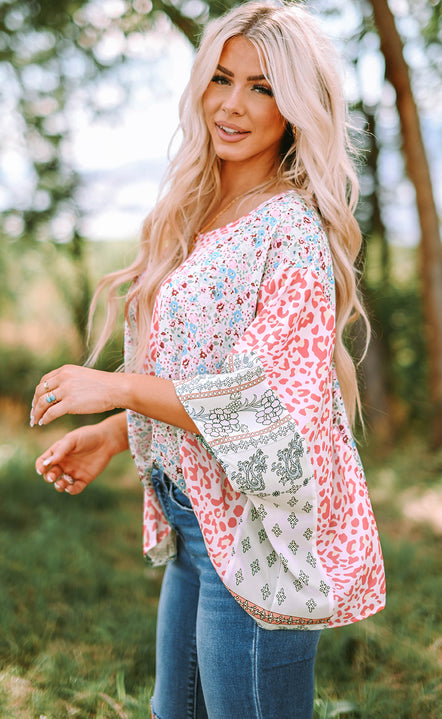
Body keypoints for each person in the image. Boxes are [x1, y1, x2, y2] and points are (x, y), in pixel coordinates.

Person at [31, 2, 386, 717]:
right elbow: (200, 374)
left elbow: (265, 411)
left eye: (261, 87)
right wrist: (116, 433)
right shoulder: (197, 209)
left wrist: (116, 390)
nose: (231, 104)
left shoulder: (289, 231)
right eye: (221, 78)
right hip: (193, 517)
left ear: (296, 107)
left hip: (257, 534)